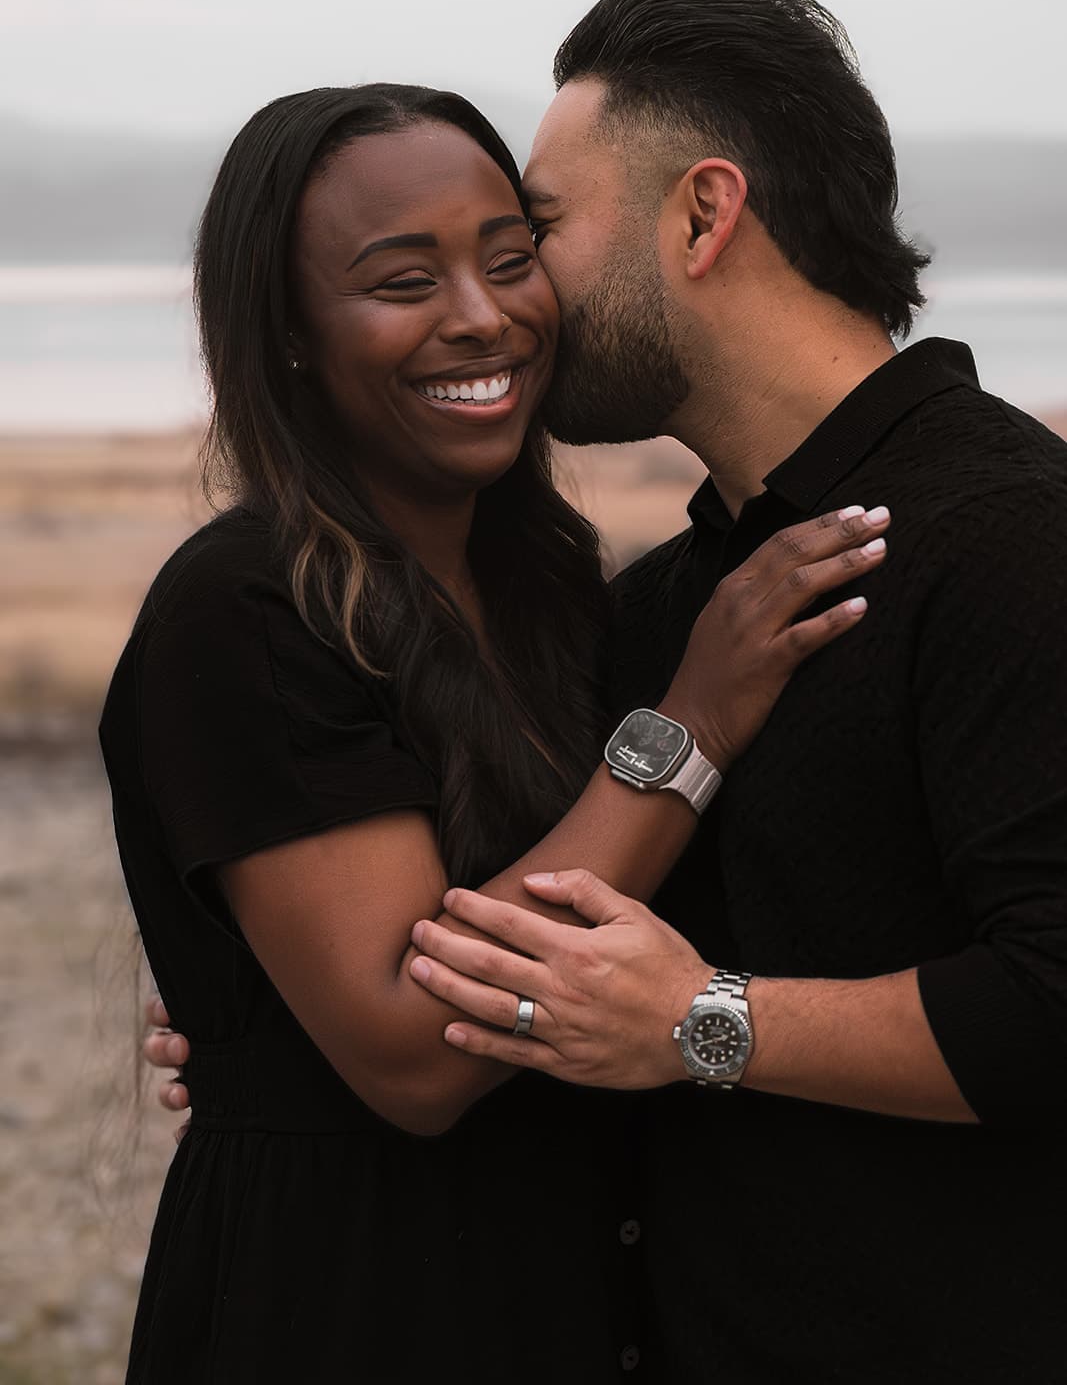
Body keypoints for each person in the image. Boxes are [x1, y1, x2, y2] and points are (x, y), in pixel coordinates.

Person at [103, 79, 888, 1383]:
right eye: (403, 281)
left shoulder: (550, 585)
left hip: (581, 1292)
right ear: (288, 331)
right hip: (357, 1308)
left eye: (512, 258)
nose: (482, 316)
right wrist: (690, 724)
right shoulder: (247, 610)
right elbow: (415, 1056)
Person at [392, 0, 1067, 1382]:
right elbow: (549, 958)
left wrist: (706, 1023)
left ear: (704, 215)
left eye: (540, 231)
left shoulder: (1015, 540)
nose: (519, 296)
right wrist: (280, 1013)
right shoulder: (666, 607)